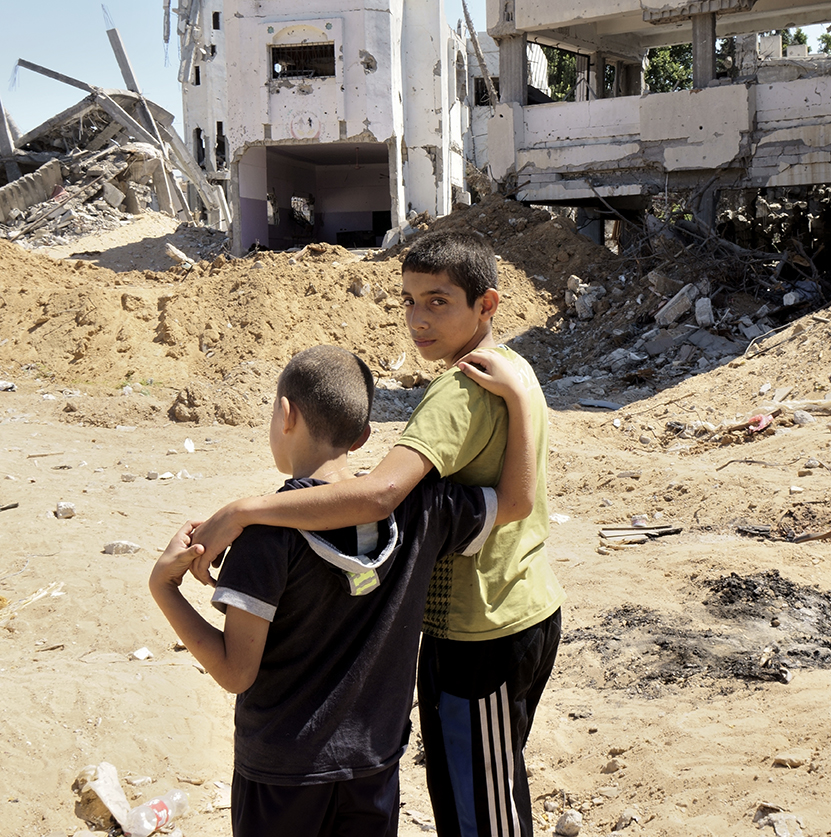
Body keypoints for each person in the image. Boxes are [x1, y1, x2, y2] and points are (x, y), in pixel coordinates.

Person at [190, 231, 565, 837]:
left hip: (481, 630)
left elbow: (383, 493)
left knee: (482, 814)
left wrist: (242, 511)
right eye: (409, 301)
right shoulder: (510, 371)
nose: (418, 318)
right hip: (521, 607)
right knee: (484, 791)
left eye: (438, 302)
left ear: (486, 305)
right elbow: (517, 500)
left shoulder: (459, 391)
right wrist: (522, 401)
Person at [149, 344, 537, 837]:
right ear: (363, 436)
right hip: (374, 764)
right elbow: (519, 500)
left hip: (282, 770)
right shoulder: (424, 510)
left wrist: (164, 587)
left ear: (285, 415)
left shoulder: (263, 536)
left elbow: (235, 672)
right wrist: (521, 400)